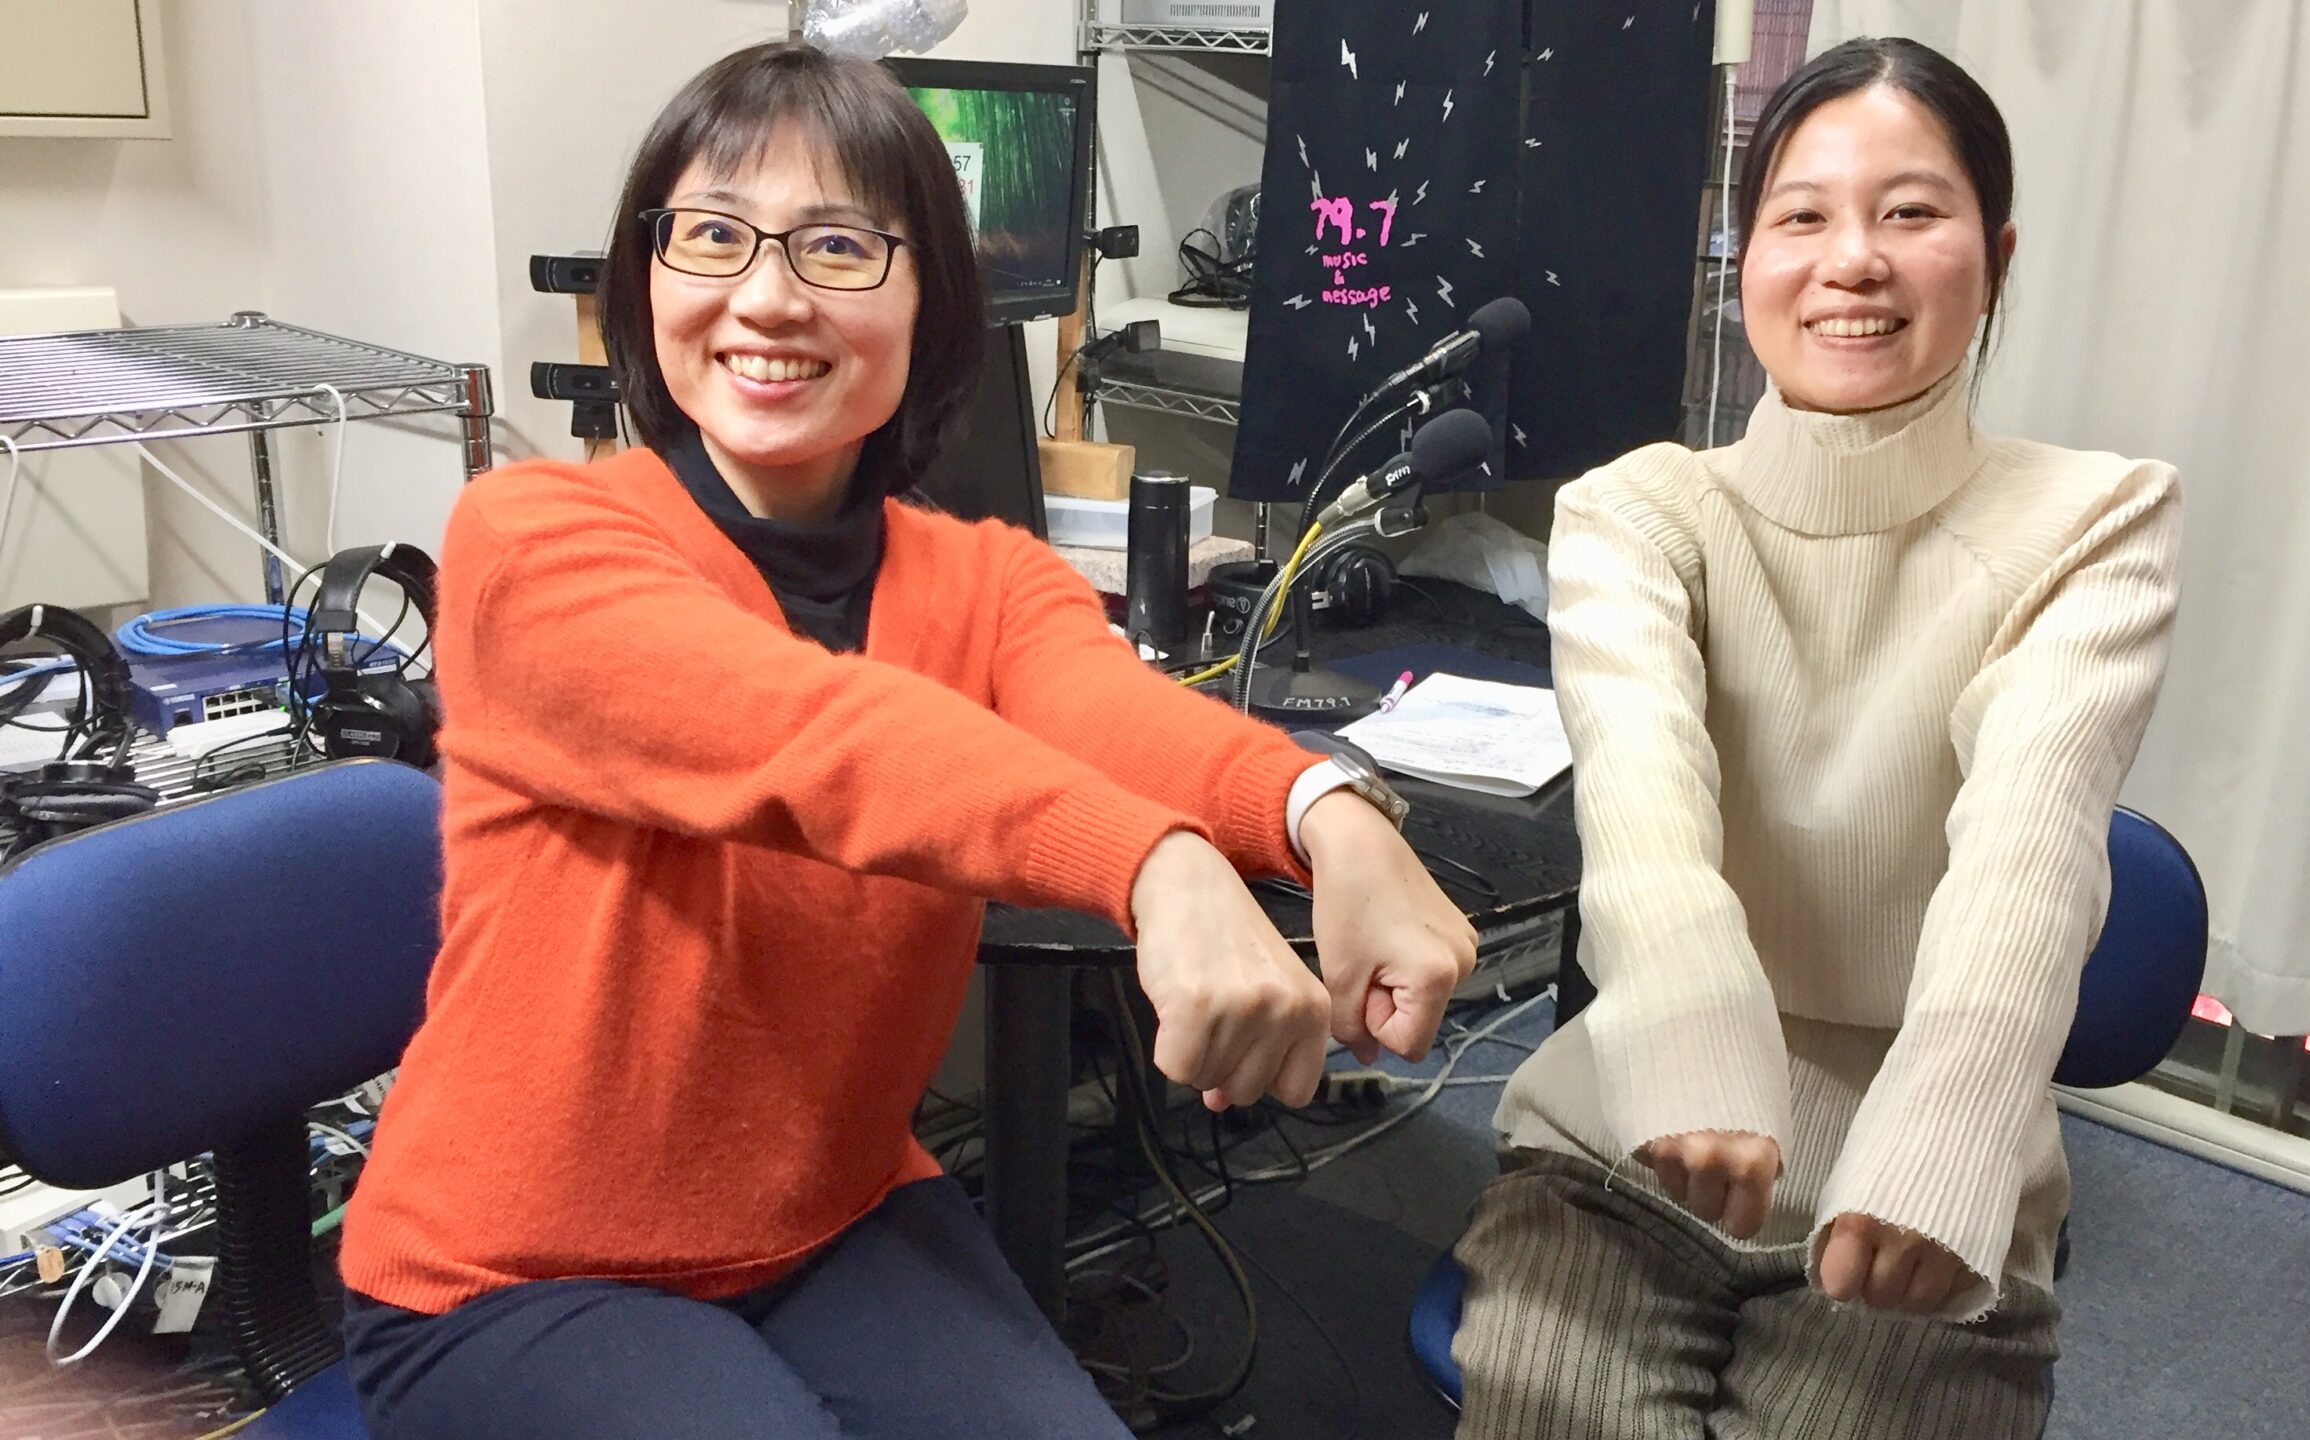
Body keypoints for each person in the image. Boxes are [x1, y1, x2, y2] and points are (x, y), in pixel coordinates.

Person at [336, 42, 1476, 1440]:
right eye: (713, 235)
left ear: (933, 300)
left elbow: (1110, 714)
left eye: (838, 245)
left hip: (830, 1211)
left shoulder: (985, 576)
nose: (768, 296)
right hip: (514, 1273)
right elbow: (815, 736)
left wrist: (1329, 815)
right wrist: (1158, 866)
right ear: (648, 274)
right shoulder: (532, 542)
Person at [1452, 36, 2181, 1440]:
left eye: (1911, 211)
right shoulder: (1637, 510)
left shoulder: (2094, 520)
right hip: (1625, 1143)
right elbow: (1643, 793)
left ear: (1996, 256)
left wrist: (1947, 1138)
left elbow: (2029, 849)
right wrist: (1689, 1045)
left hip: (1924, 1168)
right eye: (1803, 216)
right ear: (1747, 259)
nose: (1854, 260)